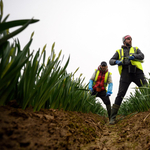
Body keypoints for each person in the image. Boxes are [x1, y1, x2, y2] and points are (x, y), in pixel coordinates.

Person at [109, 35, 147, 125]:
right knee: (120, 94)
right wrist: (116, 61)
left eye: (130, 39)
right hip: (125, 73)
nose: (130, 40)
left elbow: (142, 56)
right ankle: (112, 117)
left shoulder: (136, 48)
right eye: (128, 39)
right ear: (124, 41)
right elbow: (111, 60)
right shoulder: (119, 51)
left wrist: (134, 56)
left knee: (146, 89)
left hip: (137, 72)